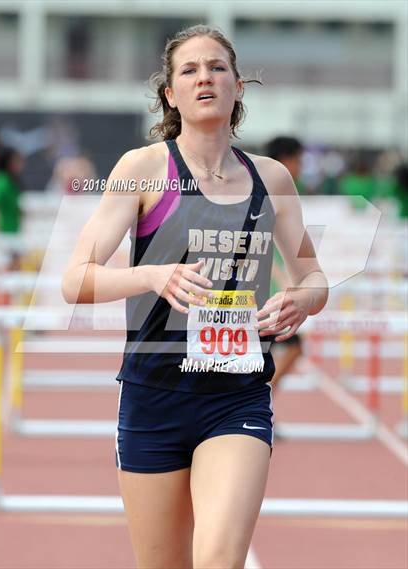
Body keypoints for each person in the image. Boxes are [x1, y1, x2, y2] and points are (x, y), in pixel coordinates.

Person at [62, 25, 328, 569]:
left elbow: (313, 278)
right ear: (170, 93)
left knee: (218, 561)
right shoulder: (142, 170)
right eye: (189, 70)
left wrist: (302, 299)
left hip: (237, 397)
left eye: (217, 67)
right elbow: (76, 280)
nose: (204, 77)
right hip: (152, 395)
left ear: (239, 87)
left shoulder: (271, 178)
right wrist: (152, 276)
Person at [263, 136, 305, 395]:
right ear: (286, 161)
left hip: (270, 293)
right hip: (265, 295)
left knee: (289, 349)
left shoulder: (280, 190)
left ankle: (260, 403)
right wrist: (283, 283)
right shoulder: (270, 191)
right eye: (298, 161)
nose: (300, 167)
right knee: (292, 348)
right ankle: (260, 401)